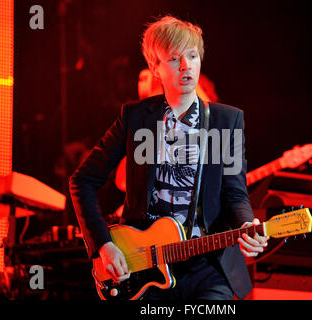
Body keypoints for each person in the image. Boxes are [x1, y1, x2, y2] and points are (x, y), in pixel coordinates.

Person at [69, 15, 268, 300]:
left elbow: (236, 193)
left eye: (192, 56)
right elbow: (82, 181)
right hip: (146, 267)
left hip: (208, 267)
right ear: (154, 67)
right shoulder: (135, 117)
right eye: (174, 59)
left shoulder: (227, 120)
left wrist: (247, 223)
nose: (186, 66)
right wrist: (103, 245)